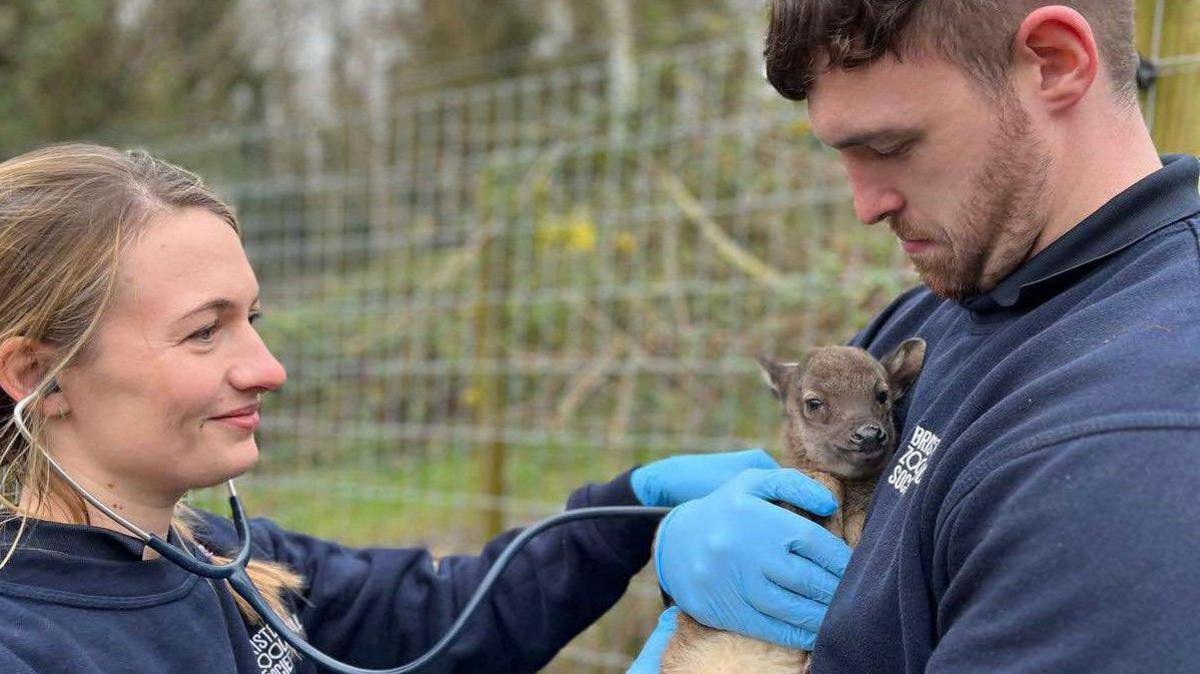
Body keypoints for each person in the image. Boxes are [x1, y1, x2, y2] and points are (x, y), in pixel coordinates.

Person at [0, 143, 849, 673]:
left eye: (251, 321)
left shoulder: (227, 563)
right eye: (202, 334)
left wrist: (626, 509)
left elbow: (443, 619)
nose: (269, 368)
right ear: (42, 373)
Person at [632, 0, 1200, 671]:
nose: (866, 205)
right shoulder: (927, 317)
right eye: (843, 154)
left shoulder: (1135, 435)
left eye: (890, 146)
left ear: (1053, 62)